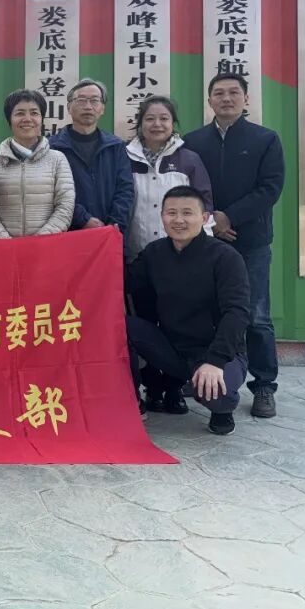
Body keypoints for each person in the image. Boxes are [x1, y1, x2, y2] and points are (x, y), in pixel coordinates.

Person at [183, 73, 285, 419]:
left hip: (251, 241)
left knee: (255, 315)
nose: (226, 99)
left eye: (233, 93)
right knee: (208, 311)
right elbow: (188, 189)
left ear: (246, 99)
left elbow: (270, 188)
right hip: (207, 241)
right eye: (219, 93)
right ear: (209, 100)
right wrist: (212, 220)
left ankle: (264, 385)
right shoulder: (193, 141)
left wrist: (230, 217)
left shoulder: (265, 139)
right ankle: (204, 376)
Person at [125, 186, 250, 436]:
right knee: (121, 326)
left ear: (204, 218)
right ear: (162, 217)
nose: (179, 220)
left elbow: (237, 312)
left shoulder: (225, 257)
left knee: (218, 394)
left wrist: (215, 361)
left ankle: (222, 410)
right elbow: (121, 281)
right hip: (172, 350)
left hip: (216, 353)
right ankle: (132, 397)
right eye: (171, 213)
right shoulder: (155, 253)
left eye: (187, 213)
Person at [0, 89, 75, 239]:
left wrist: (39, 241)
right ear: (9, 120)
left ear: (42, 119)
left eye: (34, 113)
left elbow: (65, 205)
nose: (27, 119)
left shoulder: (57, 159)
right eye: (19, 113)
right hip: (5, 247)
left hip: (46, 246)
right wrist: (3, 240)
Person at [125, 95, 214, 257]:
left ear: (172, 124)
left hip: (182, 253)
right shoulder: (124, 158)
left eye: (164, 118)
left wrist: (203, 248)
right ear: (140, 124)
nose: (157, 124)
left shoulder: (190, 160)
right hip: (135, 253)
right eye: (150, 119)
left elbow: (204, 204)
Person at [50, 79, 135, 239]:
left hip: (110, 234)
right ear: (69, 107)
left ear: (102, 108)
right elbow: (51, 191)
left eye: (94, 100)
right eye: (81, 100)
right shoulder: (52, 147)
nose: (88, 106)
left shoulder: (116, 146)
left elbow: (125, 189)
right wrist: (83, 219)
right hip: (67, 234)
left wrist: (113, 224)